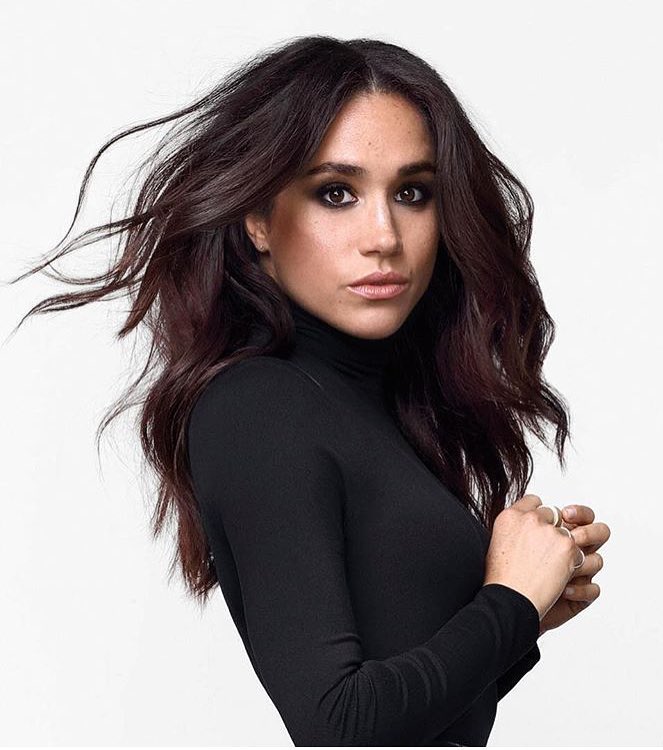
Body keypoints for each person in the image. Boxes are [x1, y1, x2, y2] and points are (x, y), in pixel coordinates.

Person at [11, 35, 610, 746]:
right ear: (259, 219)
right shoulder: (258, 408)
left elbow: (410, 724)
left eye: (412, 193)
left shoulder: (382, 407)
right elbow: (337, 727)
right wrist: (508, 604)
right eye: (336, 194)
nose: (383, 236)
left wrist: (520, 618)